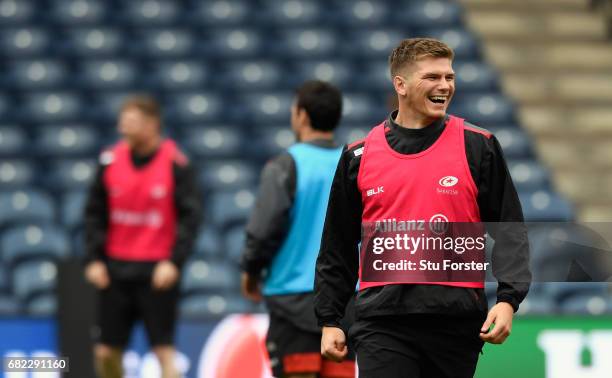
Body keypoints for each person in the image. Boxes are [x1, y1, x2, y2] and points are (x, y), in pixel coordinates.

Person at [314, 38, 531, 378]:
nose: (444, 85)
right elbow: (337, 246)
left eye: (450, 77)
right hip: (382, 322)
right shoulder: (359, 155)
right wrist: (330, 319)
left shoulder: (479, 147)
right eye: (432, 77)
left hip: (456, 323)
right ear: (400, 84)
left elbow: (510, 230)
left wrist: (508, 300)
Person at [241, 80, 356, 378]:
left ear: (301, 115)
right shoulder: (356, 163)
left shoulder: (285, 164)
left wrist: (251, 273)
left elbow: (264, 228)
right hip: (345, 303)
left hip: (293, 299)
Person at [83, 95, 201, 378]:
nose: (123, 128)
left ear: (152, 124)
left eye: (131, 122)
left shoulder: (176, 164)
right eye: (122, 122)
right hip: (115, 270)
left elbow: (191, 217)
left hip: (157, 272)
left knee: (164, 351)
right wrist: (94, 259)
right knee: (106, 352)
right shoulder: (109, 162)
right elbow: (94, 213)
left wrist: (174, 261)